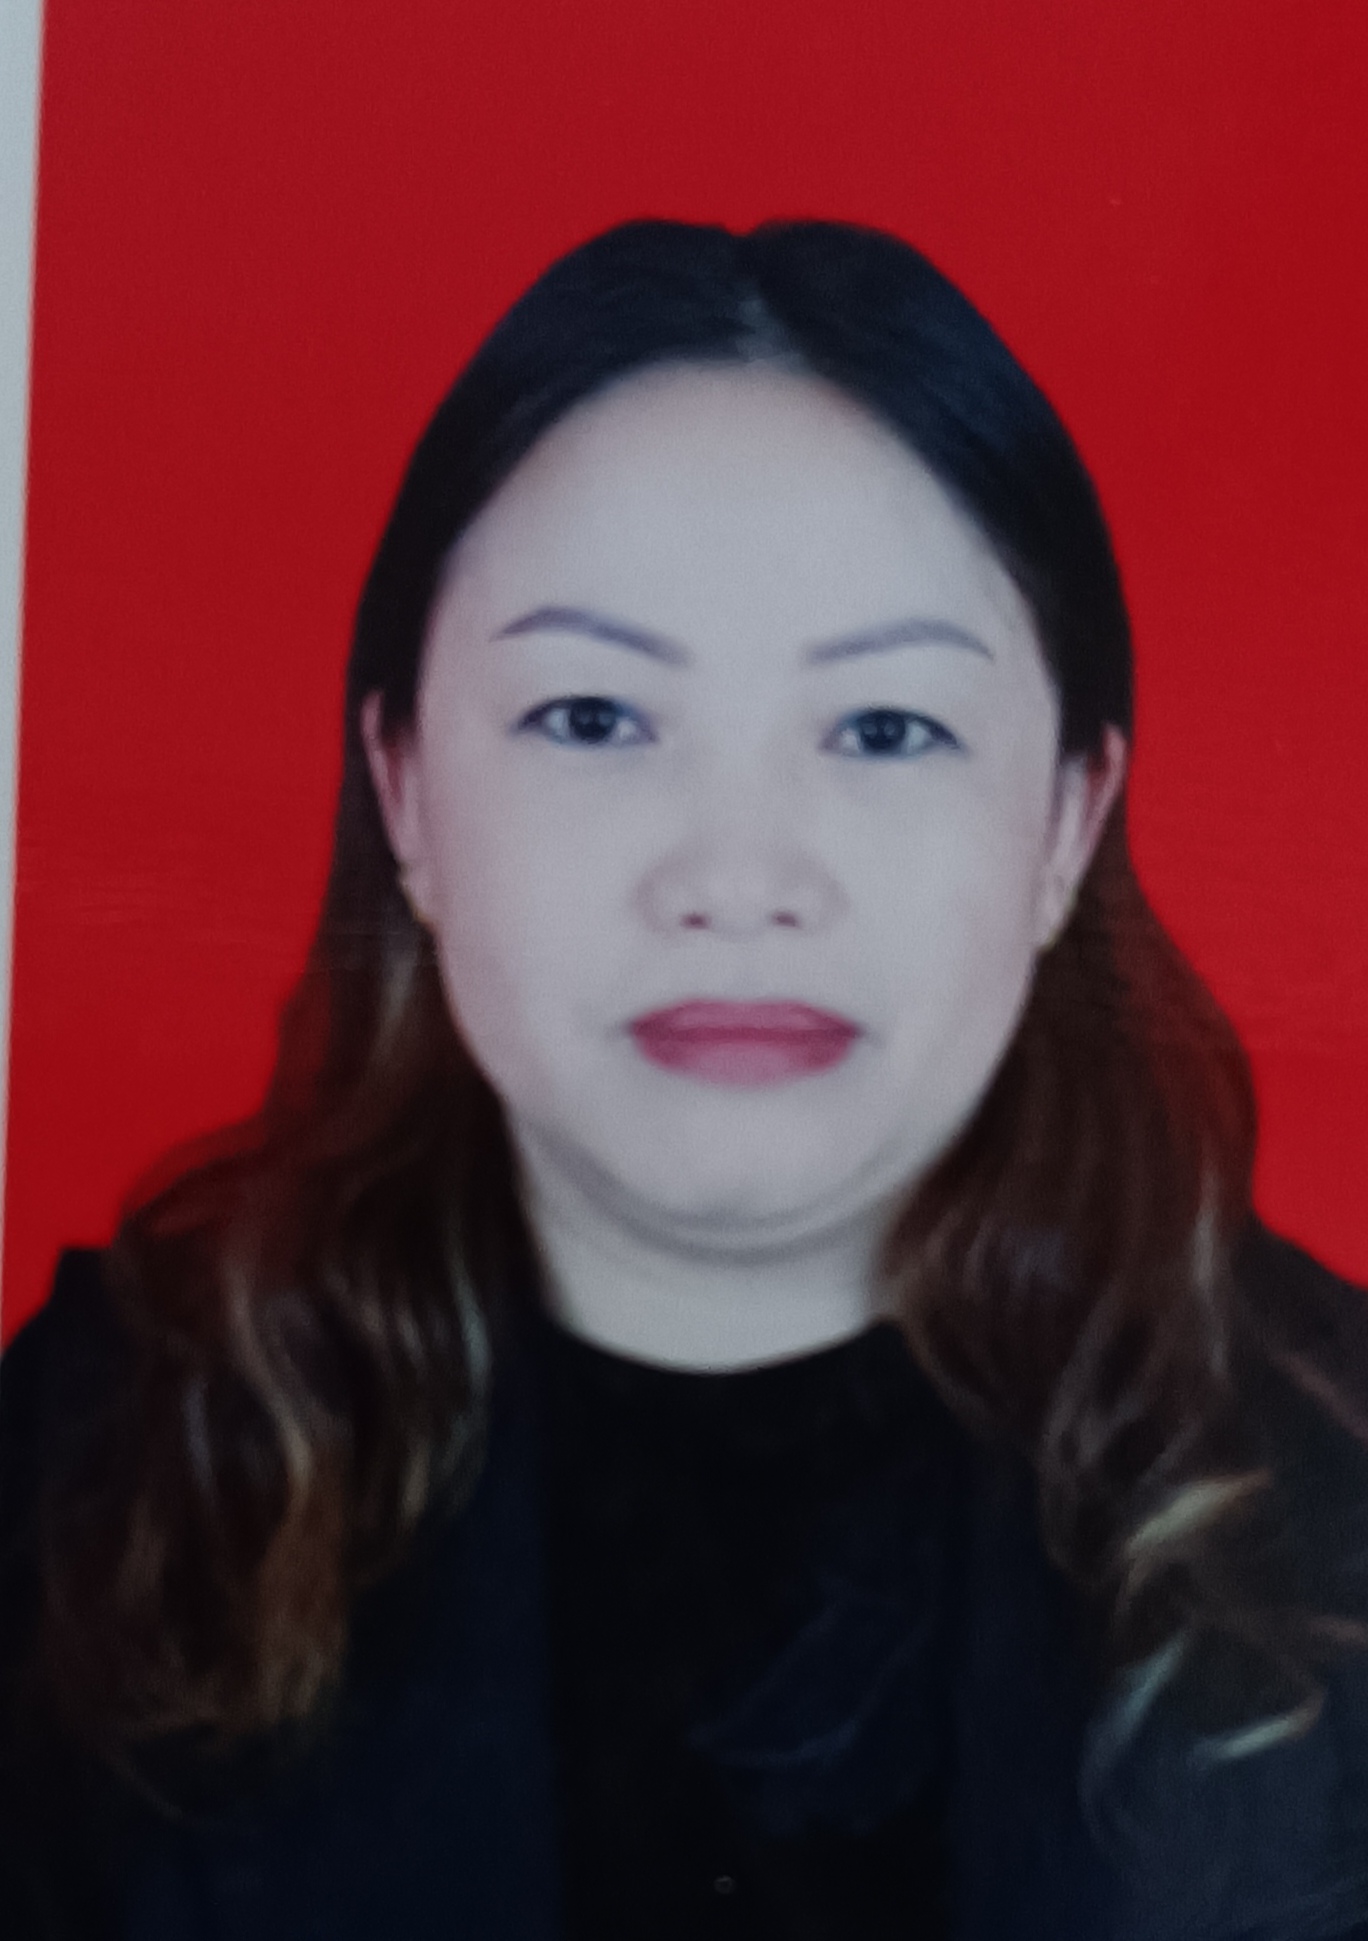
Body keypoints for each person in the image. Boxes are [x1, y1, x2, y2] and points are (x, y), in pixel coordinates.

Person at [3, 217, 1368, 1941]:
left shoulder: (1337, 1485)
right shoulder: (100, 1457)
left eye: (885, 729)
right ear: (405, 790)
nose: (736, 878)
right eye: (592, 717)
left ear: (1065, 825)